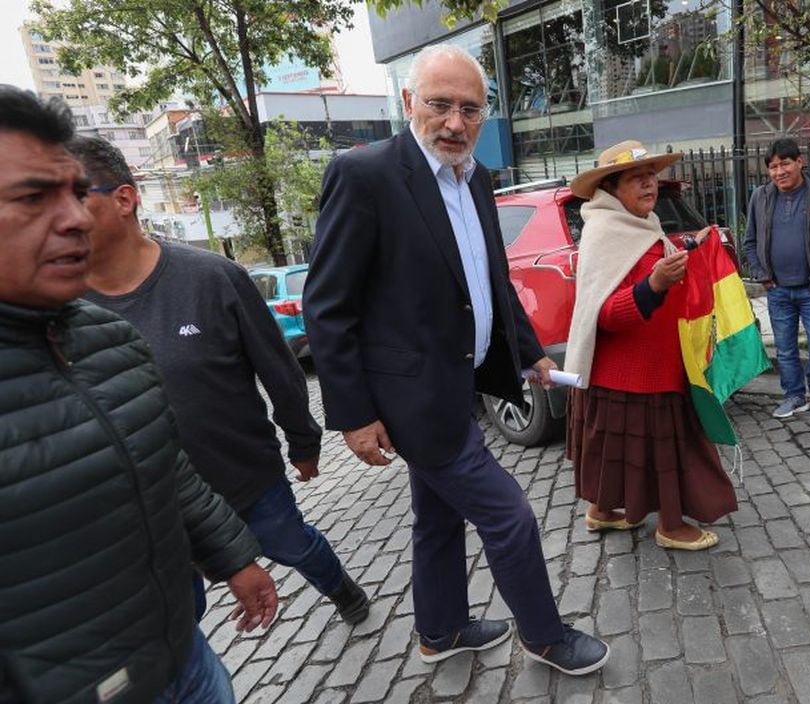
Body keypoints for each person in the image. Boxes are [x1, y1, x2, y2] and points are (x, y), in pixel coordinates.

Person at [303, 44, 609, 676]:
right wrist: (353, 414)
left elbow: (489, 281)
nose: (455, 123)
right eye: (440, 105)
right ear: (409, 103)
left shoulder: (478, 179)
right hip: (413, 399)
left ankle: (440, 631)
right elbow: (327, 305)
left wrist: (529, 356)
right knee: (511, 517)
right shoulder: (365, 176)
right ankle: (545, 637)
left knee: (436, 518)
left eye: (470, 109)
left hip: (460, 382)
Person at [0, 85, 277, 703]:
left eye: (75, 192)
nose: (73, 217)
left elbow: (161, 463)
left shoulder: (107, 337)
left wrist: (233, 557)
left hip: (184, 660)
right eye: (32, 197)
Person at [68, 136, 369, 626]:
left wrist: (302, 441)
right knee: (179, 611)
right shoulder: (62, 308)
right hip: (151, 507)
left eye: (71, 197)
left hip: (245, 479)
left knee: (292, 544)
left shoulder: (213, 277)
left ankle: (342, 590)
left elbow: (278, 368)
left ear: (124, 199)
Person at [562, 140, 738, 551]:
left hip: (653, 368)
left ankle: (602, 512)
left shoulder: (644, 223)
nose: (649, 185)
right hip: (633, 377)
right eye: (637, 178)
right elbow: (604, 314)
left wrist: (691, 254)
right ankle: (671, 527)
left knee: (617, 454)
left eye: (651, 176)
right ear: (611, 187)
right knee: (663, 455)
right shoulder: (605, 232)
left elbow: (658, 274)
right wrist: (654, 285)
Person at [742, 138, 810, 419]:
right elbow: (750, 242)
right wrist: (761, 275)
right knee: (785, 349)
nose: (779, 172)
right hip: (777, 291)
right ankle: (794, 395)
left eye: (785, 164)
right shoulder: (761, 197)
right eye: (773, 166)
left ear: (800, 162)